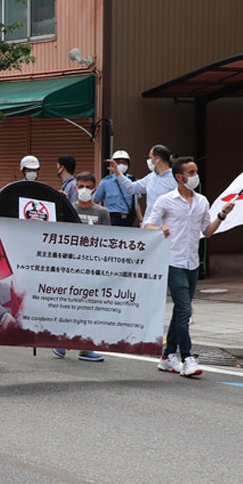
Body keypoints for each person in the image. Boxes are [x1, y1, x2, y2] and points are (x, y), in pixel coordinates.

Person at [144, 156, 234, 377]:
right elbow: (147, 225)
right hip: (172, 261)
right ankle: (187, 357)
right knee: (184, 309)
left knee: (180, 311)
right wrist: (159, 230)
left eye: (196, 172)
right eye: (191, 173)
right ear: (179, 177)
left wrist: (222, 215)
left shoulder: (202, 201)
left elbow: (207, 231)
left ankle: (167, 356)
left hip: (192, 262)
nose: (195, 176)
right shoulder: (166, 200)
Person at [54, 171, 108, 362]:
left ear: (94, 188)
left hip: (92, 267)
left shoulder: (102, 213)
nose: (84, 190)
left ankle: (86, 347)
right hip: (70, 266)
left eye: (88, 186)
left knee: (90, 308)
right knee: (68, 305)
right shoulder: (69, 210)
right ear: (75, 188)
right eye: (80, 186)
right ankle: (61, 342)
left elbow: (108, 241)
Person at [108, 144, 178, 204]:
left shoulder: (175, 178)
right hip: (150, 219)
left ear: (157, 159)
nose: (149, 161)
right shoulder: (151, 177)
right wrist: (117, 172)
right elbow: (132, 188)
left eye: (150, 158)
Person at [94, 150, 138, 227]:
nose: (121, 165)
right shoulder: (105, 182)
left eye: (124, 162)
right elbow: (96, 201)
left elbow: (136, 204)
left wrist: (141, 220)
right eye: (118, 162)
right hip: (111, 219)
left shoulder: (132, 181)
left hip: (128, 219)